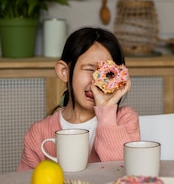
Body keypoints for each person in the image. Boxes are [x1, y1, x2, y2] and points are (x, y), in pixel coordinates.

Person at [18, 27, 140, 171]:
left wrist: (106, 111)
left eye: (107, 74)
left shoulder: (125, 120)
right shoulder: (39, 133)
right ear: (64, 71)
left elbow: (124, 173)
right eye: (89, 69)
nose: (97, 82)